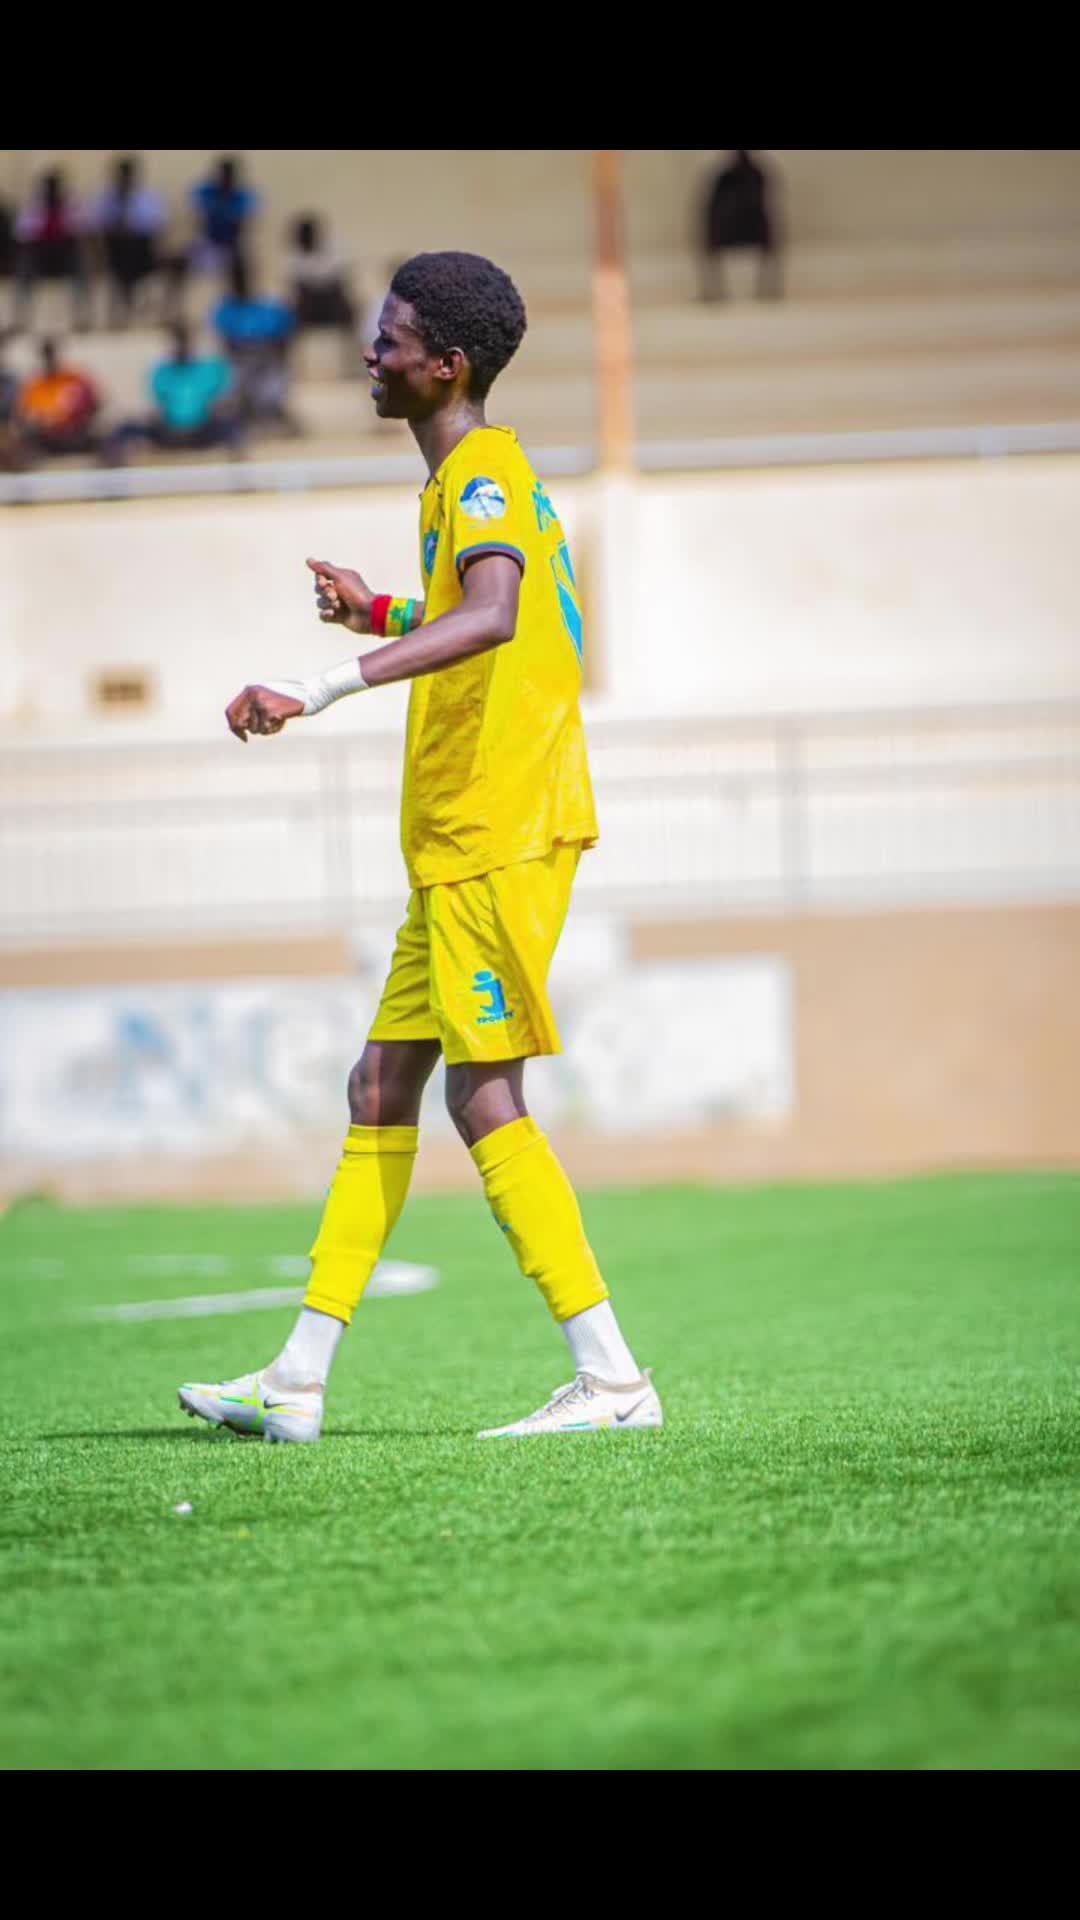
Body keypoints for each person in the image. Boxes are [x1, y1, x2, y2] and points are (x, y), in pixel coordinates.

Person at [179, 250, 663, 1444]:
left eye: (390, 339)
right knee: (381, 1085)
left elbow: (494, 617)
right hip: (454, 843)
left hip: (498, 831)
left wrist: (318, 682)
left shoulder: (485, 471)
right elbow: (505, 621)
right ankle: (297, 1379)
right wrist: (385, 610)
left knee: (483, 1097)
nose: (370, 352)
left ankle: (613, 1381)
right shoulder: (462, 485)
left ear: (446, 365)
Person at [103, 322, 241, 461]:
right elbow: (158, 407)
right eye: (177, 342)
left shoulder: (210, 370)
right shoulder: (161, 372)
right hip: (168, 431)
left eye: (184, 342)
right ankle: (112, 461)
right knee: (126, 427)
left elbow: (221, 402)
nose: (181, 346)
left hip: (201, 431)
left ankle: (238, 461)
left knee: (232, 425)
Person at [212, 253, 297, 434]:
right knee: (232, 382)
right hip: (239, 363)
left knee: (273, 382)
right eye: (235, 277)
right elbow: (224, 344)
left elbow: (283, 339)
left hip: (267, 362)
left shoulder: (270, 307)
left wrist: (270, 355)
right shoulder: (224, 310)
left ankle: (271, 416)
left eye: (242, 275)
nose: (239, 281)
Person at [92, 156, 167, 328]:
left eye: (127, 175)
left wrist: (132, 230)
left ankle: (139, 304)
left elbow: (157, 225)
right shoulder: (107, 198)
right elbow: (99, 225)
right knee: (117, 253)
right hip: (115, 251)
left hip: (142, 250)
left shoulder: (147, 197)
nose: (124, 179)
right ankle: (121, 308)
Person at [14, 170, 91, 331]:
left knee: (81, 262)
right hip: (41, 257)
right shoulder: (34, 206)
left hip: (65, 256)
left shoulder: (72, 206)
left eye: (54, 187)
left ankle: (81, 315)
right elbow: (23, 235)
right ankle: (21, 316)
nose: (52, 191)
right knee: (24, 264)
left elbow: (80, 231)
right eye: (49, 188)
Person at [701, 149, 783, 301]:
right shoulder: (752, 175)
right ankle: (767, 289)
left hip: (737, 230)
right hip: (746, 229)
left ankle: (714, 290)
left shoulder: (737, 176)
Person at [286, 212, 358, 372]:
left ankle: (353, 364)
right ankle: (294, 367)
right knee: (287, 317)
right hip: (309, 305)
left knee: (351, 310)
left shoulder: (335, 249)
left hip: (332, 301)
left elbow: (341, 281)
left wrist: (317, 284)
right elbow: (297, 288)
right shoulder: (295, 256)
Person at [17, 336, 101, 455]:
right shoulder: (34, 385)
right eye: (46, 356)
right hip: (45, 439)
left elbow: (95, 404)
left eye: (51, 354)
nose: (49, 359)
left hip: (75, 434)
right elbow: (25, 415)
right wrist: (43, 420)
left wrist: (76, 416)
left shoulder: (75, 379)